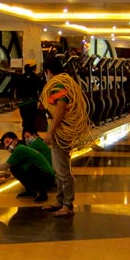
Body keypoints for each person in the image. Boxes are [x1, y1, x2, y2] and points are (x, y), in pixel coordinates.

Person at [39, 57, 89, 218]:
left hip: (61, 132)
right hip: (59, 132)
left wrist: (50, 131)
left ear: (48, 71)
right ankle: (60, 200)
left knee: (62, 170)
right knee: (58, 168)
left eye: (45, 73)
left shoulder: (59, 85)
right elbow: (54, 106)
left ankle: (68, 204)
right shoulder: (61, 84)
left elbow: (60, 109)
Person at [0, 131, 54, 202]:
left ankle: (43, 194)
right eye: (4, 145)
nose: (7, 145)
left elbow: (4, 167)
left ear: (16, 140)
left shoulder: (20, 149)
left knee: (32, 168)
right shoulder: (20, 149)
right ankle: (31, 191)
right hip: (44, 177)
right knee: (14, 168)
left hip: (48, 178)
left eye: (8, 142)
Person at [13, 62, 43, 133]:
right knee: (31, 122)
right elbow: (41, 90)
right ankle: (31, 135)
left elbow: (15, 90)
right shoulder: (36, 78)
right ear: (34, 68)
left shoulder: (20, 77)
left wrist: (16, 100)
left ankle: (26, 134)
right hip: (32, 102)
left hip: (22, 103)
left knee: (25, 120)